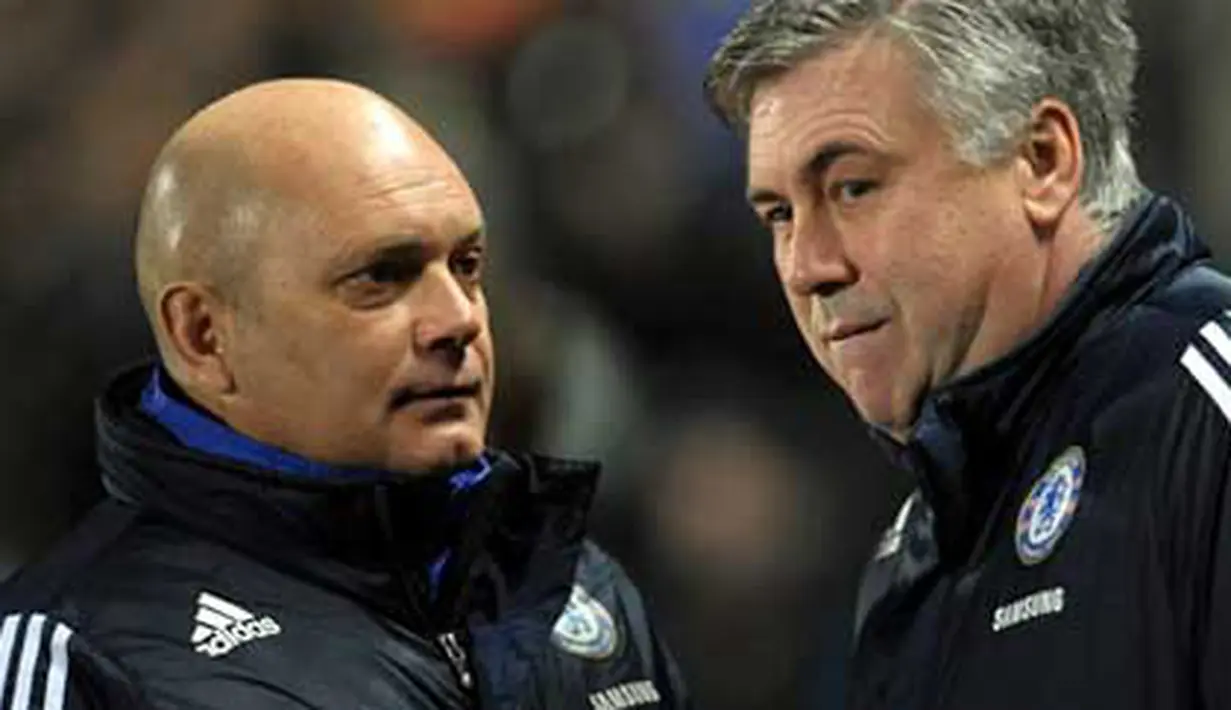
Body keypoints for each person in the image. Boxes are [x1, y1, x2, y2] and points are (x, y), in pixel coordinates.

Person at [0, 78, 688, 710]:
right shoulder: (83, 652)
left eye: (467, 266)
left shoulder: (575, 588)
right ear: (205, 336)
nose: (458, 320)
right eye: (380, 278)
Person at [706, 1, 1231, 708]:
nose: (806, 267)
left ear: (1040, 161)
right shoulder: (909, 556)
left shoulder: (1206, 423)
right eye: (778, 215)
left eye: (852, 188)